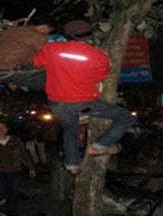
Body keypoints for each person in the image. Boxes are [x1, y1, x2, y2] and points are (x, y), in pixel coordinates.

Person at [32, 20, 136, 175]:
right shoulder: (98, 55)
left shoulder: (52, 49)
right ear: (89, 35)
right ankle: (100, 145)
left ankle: (72, 164)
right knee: (125, 117)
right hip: (83, 104)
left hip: (57, 103)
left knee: (70, 128)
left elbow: (37, 62)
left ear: (67, 35)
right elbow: (101, 76)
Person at [0, 121, 36, 216]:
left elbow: (23, 154)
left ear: (7, 129)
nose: (0, 130)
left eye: (3, 127)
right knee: (0, 192)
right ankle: (0, 210)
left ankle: (11, 213)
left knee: (14, 192)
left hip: (15, 170)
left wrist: (31, 167)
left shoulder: (16, 140)